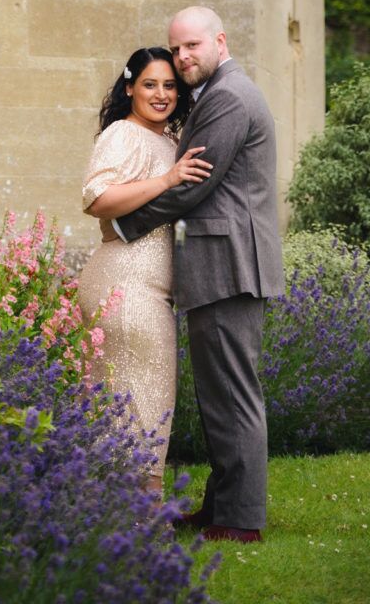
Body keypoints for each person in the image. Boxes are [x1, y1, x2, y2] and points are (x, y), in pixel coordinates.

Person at [112, 7, 284, 543]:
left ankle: (240, 520)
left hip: (229, 264)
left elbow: (194, 184)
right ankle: (221, 506)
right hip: (222, 262)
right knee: (221, 393)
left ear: (220, 41)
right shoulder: (219, 92)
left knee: (232, 393)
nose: (183, 57)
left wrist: (123, 224)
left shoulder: (229, 96)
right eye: (176, 48)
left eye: (192, 45)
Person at [78, 47, 213, 498]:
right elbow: (97, 199)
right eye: (150, 84)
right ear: (129, 87)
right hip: (125, 283)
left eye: (170, 85)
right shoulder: (123, 133)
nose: (161, 94)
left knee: (132, 399)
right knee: (145, 398)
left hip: (151, 287)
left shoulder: (169, 140)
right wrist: (168, 180)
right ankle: (145, 510)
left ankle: (108, 506)